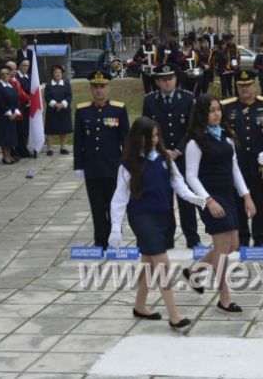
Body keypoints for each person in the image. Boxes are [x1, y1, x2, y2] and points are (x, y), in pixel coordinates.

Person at [108, 116, 205, 329]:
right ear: (138, 137)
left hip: (163, 217)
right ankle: (175, 316)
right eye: (149, 136)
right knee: (162, 264)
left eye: (156, 135)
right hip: (141, 218)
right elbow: (119, 197)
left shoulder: (164, 158)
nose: (154, 139)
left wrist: (193, 198)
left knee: (149, 264)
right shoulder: (128, 164)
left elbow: (178, 183)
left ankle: (140, 306)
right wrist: (116, 227)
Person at [184, 94, 256, 314]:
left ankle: (195, 271)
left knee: (233, 244)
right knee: (223, 248)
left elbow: (234, 169)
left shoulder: (226, 137)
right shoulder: (195, 143)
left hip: (228, 196)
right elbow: (191, 177)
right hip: (209, 197)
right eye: (211, 110)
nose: (216, 114)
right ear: (202, 114)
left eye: (218, 109)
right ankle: (225, 298)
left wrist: (246, 196)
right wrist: (208, 200)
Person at [141, 64, 200, 248]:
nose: (168, 82)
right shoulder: (150, 101)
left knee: (187, 200)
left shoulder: (188, 98)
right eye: (164, 79)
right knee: (163, 199)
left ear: (176, 79)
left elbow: (193, 127)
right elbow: (146, 128)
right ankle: (166, 239)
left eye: (171, 78)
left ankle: (192, 238)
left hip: (182, 157)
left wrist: (179, 150)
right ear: (157, 82)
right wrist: (161, 149)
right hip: (161, 157)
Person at [222, 70, 263, 246]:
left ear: (255, 85)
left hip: (258, 163)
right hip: (236, 164)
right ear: (236, 87)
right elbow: (223, 134)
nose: (245, 89)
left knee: (259, 200)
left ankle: (259, 237)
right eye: (241, 86)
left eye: (248, 85)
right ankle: (242, 237)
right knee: (238, 201)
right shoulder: (227, 107)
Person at [74, 70, 130, 248]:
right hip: (92, 167)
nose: (99, 91)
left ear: (109, 88)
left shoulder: (118, 109)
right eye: (95, 87)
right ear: (91, 89)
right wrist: (78, 165)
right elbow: (78, 141)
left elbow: (125, 140)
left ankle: (115, 238)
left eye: (102, 87)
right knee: (97, 207)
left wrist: (127, 164)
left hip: (113, 166)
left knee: (115, 205)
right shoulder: (83, 111)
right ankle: (100, 241)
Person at [44, 65, 73, 156]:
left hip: (64, 110)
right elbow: (47, 97)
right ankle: (49, 149)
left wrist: (62, 104)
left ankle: (63, 148)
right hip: (52, 111)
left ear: (62, 74)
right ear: (52, 74)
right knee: (50, 130)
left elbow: (69, 96)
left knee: (64, 130)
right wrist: (55, 104)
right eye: (56, 72)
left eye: (59, 72)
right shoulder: (48, 85)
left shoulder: (66, 84)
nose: (58, 74)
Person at [0, 66, 20, 165]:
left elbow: (16, 99)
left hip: (13, 114)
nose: (5, 76)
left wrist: (16, 112)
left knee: (10, 136)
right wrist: (9, 113)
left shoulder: (11, 85)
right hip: (3, 115)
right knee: (4, 136)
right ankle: (5, 156)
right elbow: (0, 101)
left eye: (7, 74)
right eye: (3, 74)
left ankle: (9, 155)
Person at [15, 59, 32, 157]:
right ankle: (19, 149)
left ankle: (24, 148)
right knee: (20, 129)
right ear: (19, 66)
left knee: (26, 129)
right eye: (23, 65)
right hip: (20, 107)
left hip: (28, 107)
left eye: (27, 65)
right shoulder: (17, 77)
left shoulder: (29, 76)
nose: (25, 67)